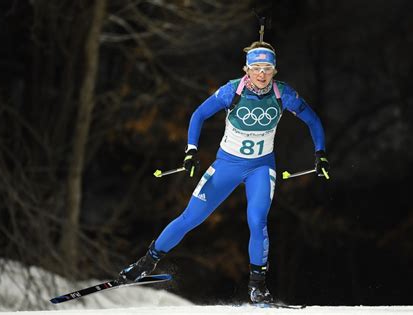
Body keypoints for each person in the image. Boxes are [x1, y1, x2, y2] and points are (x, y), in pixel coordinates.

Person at [118, 40, 330, 304]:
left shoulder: (283, 94)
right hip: (226, 165)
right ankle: (145, 264)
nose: (262, 73)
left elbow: (313, 120)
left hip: (261, 168)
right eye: (256, 68)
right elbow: (198, 114)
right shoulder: (232, 91)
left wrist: (320, 153)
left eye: (267, 68)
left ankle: (258, 286)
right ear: (247, 69)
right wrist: (191, 150)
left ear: (275, 70)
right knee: (190, 218)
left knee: (257, 221)